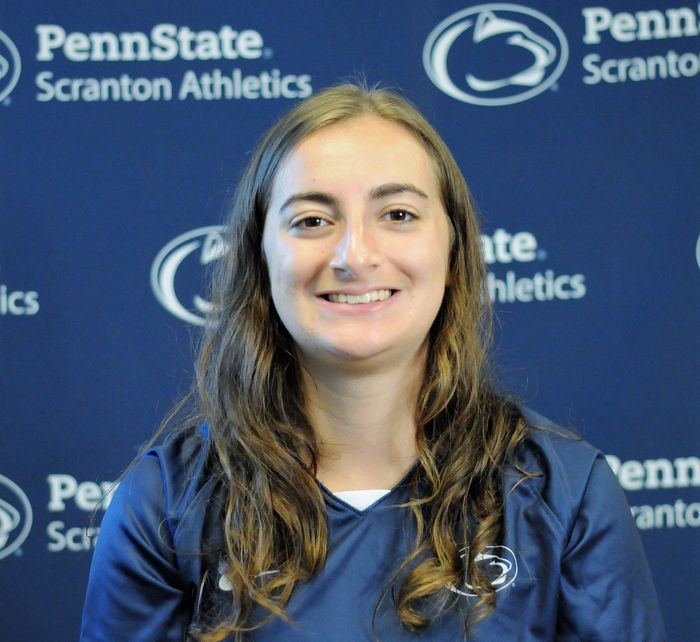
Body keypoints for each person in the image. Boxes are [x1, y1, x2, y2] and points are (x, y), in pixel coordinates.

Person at [80, 83, 666, 641]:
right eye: (312, 220)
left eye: (398, 215)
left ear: (454, 251)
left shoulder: (562, 491)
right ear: (260, 259)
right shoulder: (167, 502)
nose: (354, 255)